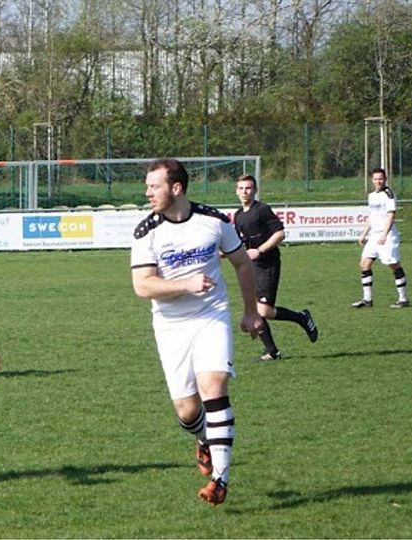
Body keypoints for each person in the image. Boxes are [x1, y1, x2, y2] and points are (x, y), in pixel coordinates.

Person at [130, 158, 263, 506]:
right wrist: (186, 284)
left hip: (212, 316)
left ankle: (221, 479)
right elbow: (142, 286)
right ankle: (204, 439)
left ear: (176, 188)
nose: (147, 193)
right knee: (187, 411)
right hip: (171, 326)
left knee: (214, 386)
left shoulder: (215, 222)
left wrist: (250, 312)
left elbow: (242, 263)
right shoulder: (147, 232)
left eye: (153, 186)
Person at [234, 174, 318, 361]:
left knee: (263, 311)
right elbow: (241, 243)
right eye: (241, 188)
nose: (244, 192)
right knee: (255, 310)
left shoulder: (262, 210)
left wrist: (260, 250)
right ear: (236, 190)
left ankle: (301, 317)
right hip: (252, 267)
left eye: (248, 188)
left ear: (255, 190)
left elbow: (280, 234)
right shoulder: (239, 216)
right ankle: (272, 351)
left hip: (268, 264)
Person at [352, 168, 410, 309]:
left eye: (381, 179)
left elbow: (391, 215)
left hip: (387, 235)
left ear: (385, 180)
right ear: (372, 180)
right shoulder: (371, 195)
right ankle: (367, 299)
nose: (378, 181)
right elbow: (372, 216)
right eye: (376, 179)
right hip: (374, 236)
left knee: (393, 265)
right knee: (364, 264)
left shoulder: (388, 195)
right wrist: (364, 233)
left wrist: (384, 234)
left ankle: (403, 298)